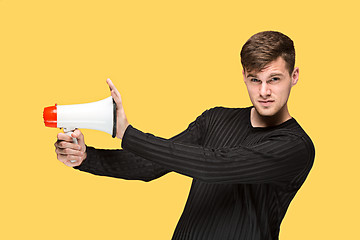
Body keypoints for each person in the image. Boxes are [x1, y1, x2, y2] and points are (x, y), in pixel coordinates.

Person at [54, 31, 315, 240]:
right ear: (244, 77)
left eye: (275, 79)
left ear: (294, 77)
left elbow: (217, 165)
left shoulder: (295, 147)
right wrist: (86, 158)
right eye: (255, 80)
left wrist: (127, 133)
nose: (264, 91)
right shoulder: (215, 119)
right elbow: (151, 165)